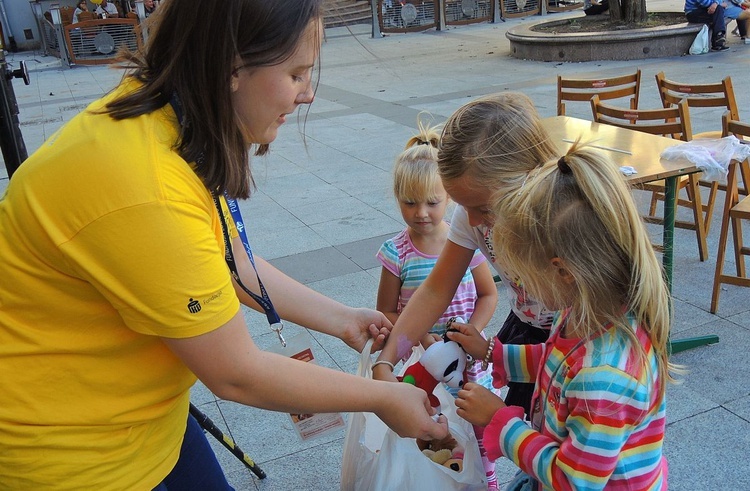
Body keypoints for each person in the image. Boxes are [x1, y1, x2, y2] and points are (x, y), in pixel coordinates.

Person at [0, 0, 447, 489]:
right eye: (296, 74)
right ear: (233, 65)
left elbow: (228, 259)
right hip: (74, 451)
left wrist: (342, 320)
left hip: (141, 416)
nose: (308, 93)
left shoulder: (167, 116)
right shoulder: (146, 188)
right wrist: (383, 399)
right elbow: (236, 372)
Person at [448, 143, 673, 490]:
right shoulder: (584, 311)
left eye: (525, 275)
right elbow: (556, 361)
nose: (524, 287)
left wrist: (499, 420)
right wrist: (493, 352)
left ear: (562, 271)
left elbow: (573, 480)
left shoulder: (604, 379)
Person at [372, 94, 559, 434]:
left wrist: (506, 425)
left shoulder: (559, 226)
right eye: (460, 205)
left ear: (529, 180)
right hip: (531, 335)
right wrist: (387, 359)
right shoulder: (473, 210)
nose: (471, 220)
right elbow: (434, 292)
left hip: (567, 344)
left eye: (483, 208)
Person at [375, 118, 500, 488]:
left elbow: (488, 293)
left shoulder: (464, 236)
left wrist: (472, 330)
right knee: (431, 425)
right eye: (410, 203)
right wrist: (416, 342)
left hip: (470, 359)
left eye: (433, 202)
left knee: (479, 427)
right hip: (422, 363)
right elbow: (387, 307)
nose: (421, 212)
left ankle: (485, 480)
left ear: (450, 199)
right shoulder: (396, 252)